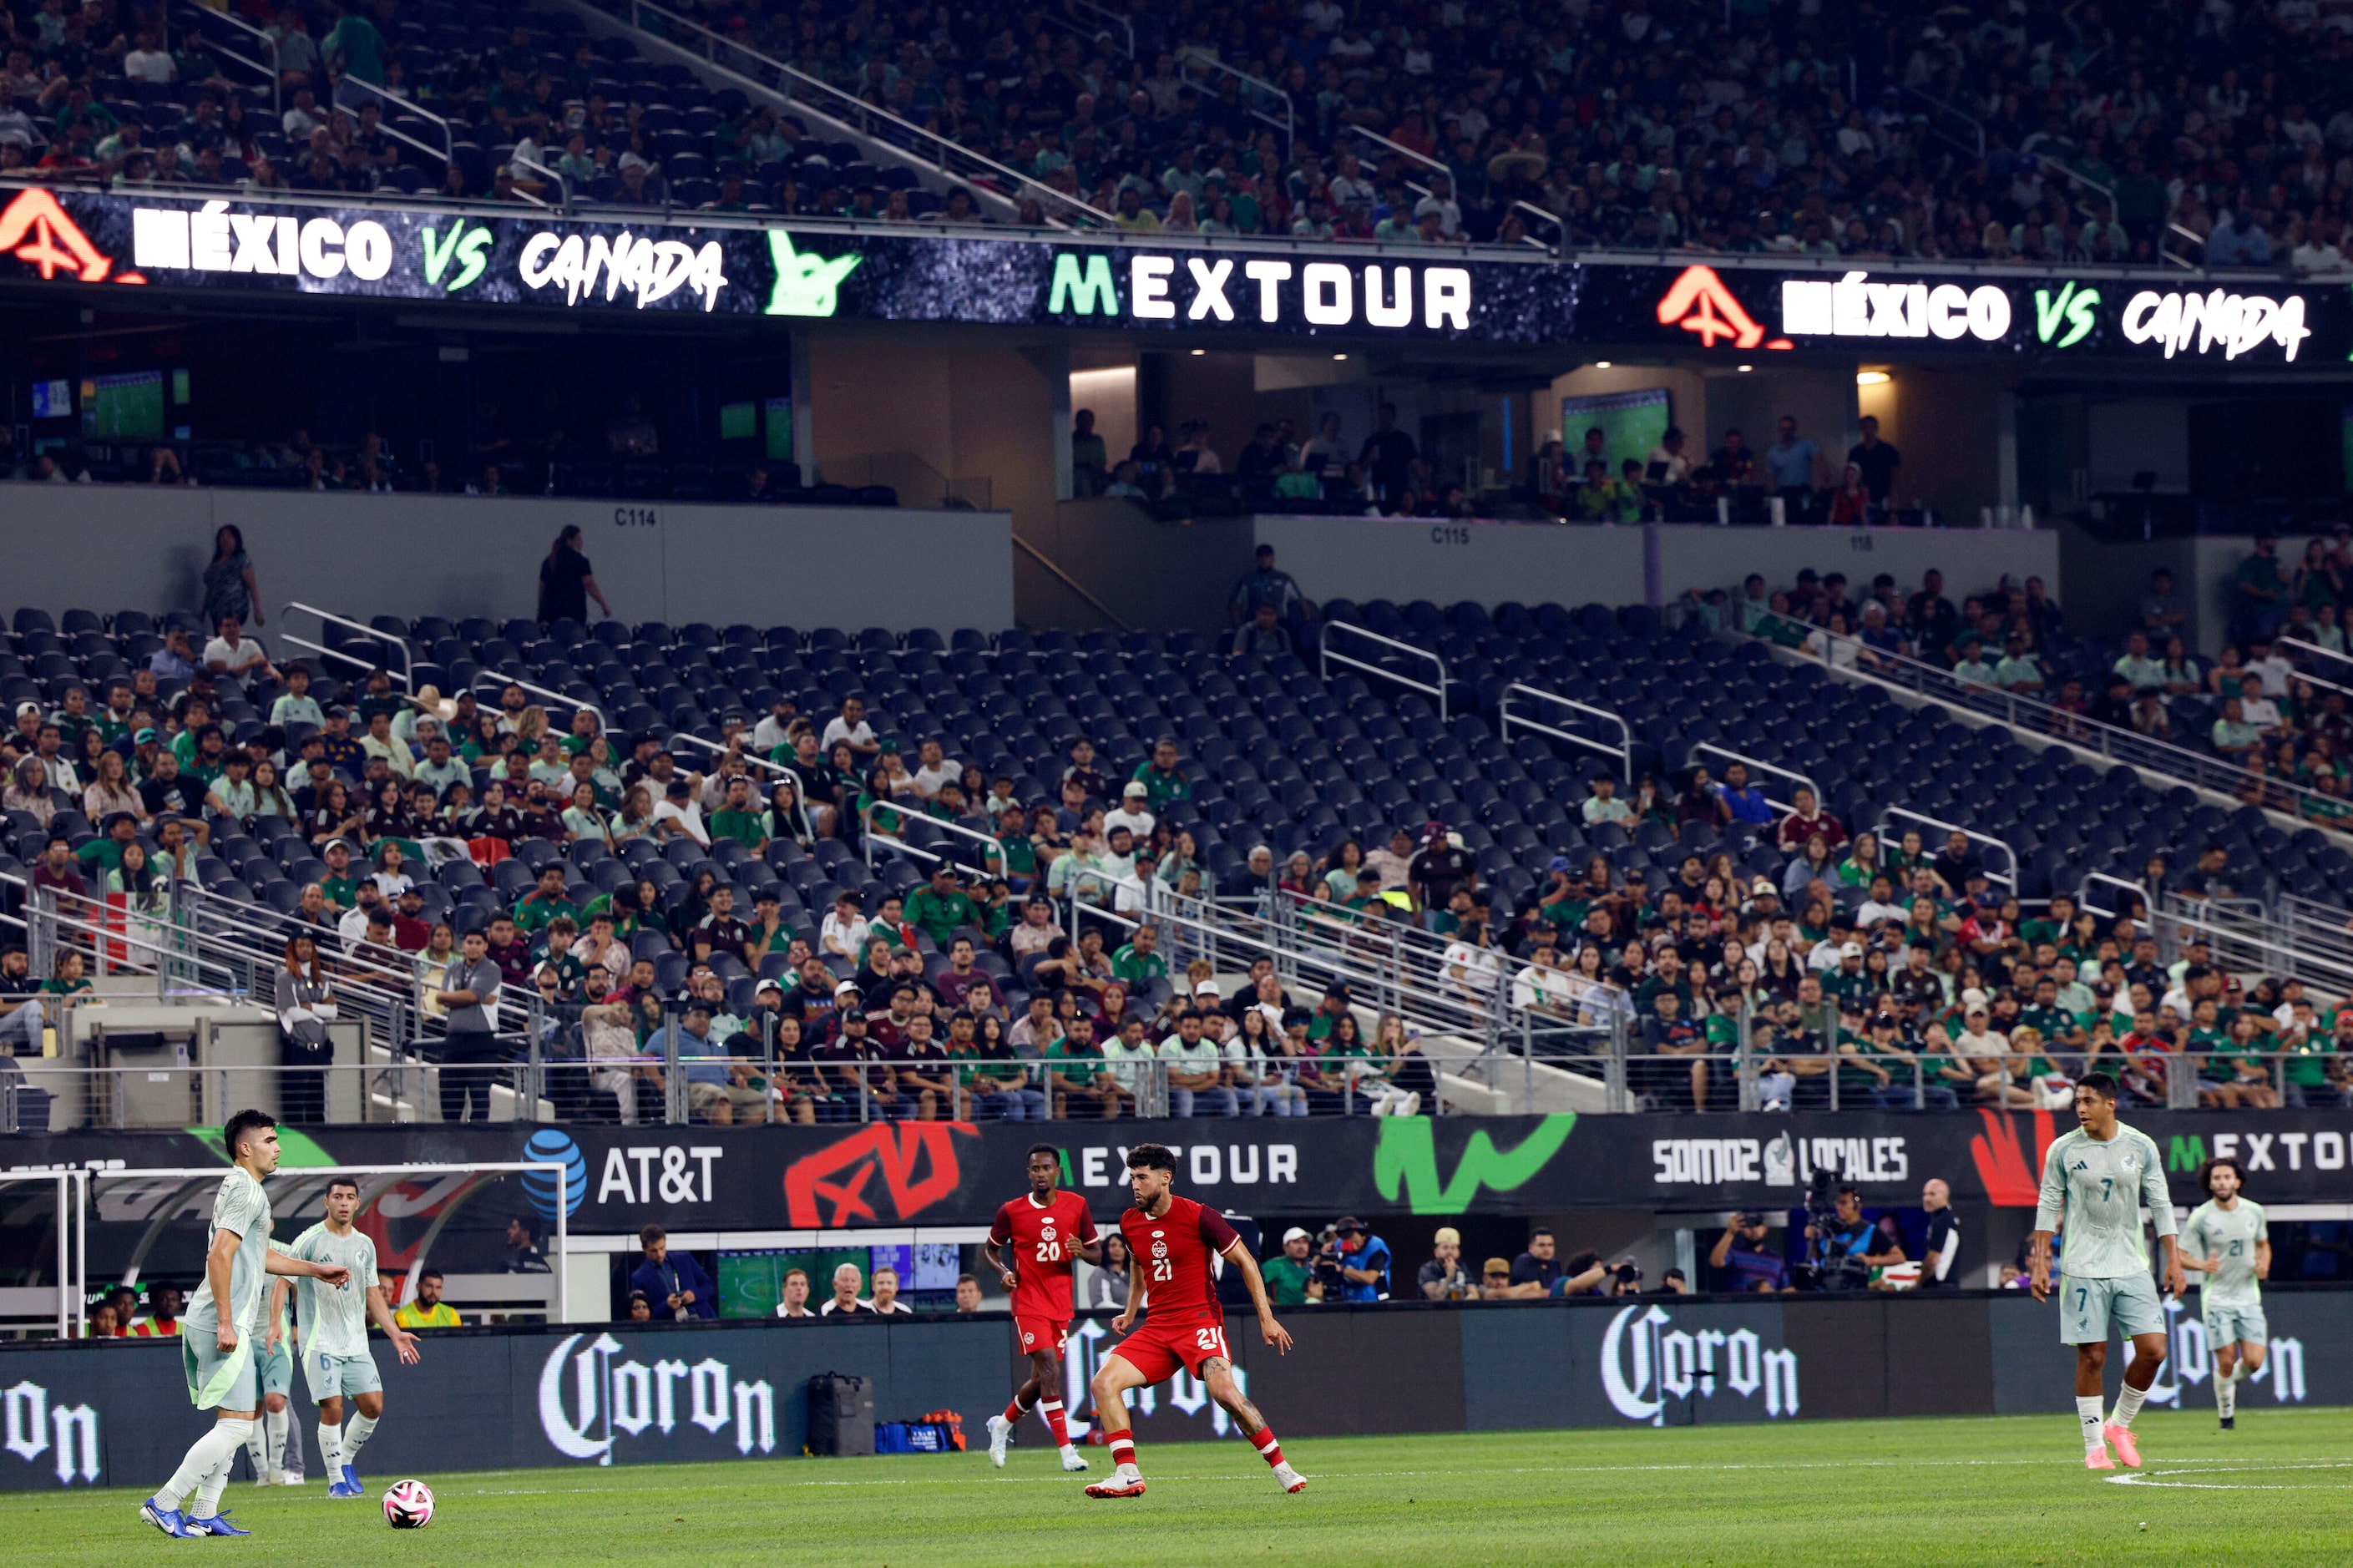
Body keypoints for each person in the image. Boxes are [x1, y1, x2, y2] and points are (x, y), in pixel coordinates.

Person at [140, 1109, 352, 1540]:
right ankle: (163, 1504)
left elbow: (258, 1256)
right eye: (270, 1140)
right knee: (237, 1425)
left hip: (220, 1320)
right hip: (219, 1322)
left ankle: (202, 1513)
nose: (277, 1147)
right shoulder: (246, 1191)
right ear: (245, 1147)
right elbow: (219, 1255)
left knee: (234, 1424)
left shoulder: (244, 1188)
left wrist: (313, 1269)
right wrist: (225, 1322)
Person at [1084, 1143, 1303, 1499]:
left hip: (1199, 1320)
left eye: (1142, 1177)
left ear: (1165, 1178)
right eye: (1132, 1178)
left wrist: (1268, 1319)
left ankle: (1282, 1468)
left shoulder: (1200, 1216)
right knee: (1102, 1384)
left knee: (1224, 1393)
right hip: (1158, 1326)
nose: (1135, 1185)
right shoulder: (1129, 1221)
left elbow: (1247, 1262)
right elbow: (1139, 1264)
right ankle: (1127, 1474)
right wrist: (1130, 1310)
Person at [2030, 1073, 2184, 1471]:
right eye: (2077, 1102)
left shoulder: (2140, 1145)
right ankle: (2094, 1448)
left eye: (2088, 1101)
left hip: (2132, 1263)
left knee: (2154, 1350)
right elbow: (2048, 1204)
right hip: (2083, 1265)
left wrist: (2175, 1259)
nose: (2080, 1108)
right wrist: (2041, 1259)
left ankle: (2120, 1425)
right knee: (2093, 1357)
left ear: (2110, 1104)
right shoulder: (2062, 1149)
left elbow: (2161, 1203)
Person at [287, 1175, 420, 1499]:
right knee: (332, 1407)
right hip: (319, 1340)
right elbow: (283, 1280)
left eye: (349, 1197)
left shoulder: (365, 1245)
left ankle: (345, 1461)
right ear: (326, 1202)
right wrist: (279, 1324)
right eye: (338, 1197)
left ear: (358, 1203)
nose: (344, 1202)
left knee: (373, 1405)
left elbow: (373, 1294)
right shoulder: (309, 1240)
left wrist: (394, 1334)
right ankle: (335, 1481)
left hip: (355, 1341)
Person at [981, 1143, 1103, 1472]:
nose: (1040, 1174)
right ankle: (1067, 1452)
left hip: (1060, 1303)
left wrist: (1081, 1251)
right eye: (1035, 1169)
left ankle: (1002, 1425)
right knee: (1050, 1369)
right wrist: (1005, 1272)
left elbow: (1097, 1254)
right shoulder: (1012, 1211)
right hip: (1028, 1302)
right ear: (1029, 1173)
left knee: (1039, 1381)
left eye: (1046, 1168)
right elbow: (991, 1250)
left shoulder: (1076, 1206)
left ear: (1057, 1171)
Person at [2182, 1157, 2269, 1429]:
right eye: (2216, 1178)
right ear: (2210, 1184)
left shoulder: (2254, 1212)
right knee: (2227, 1361)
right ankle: (2226, 1415)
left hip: (2248, 1295)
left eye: (2226, 1177)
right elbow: (2180, 1255)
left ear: (2237, 1181)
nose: (2222, 1182)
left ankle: (2226, 1383)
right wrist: (2201, 1265)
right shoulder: (2201, 1217)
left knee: (2254, 1362)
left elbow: (2263, 1245)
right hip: (2217, 1297)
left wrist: (2264, 1264)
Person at [432, 928, 503, 1122]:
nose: (473, 947)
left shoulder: (491, 969)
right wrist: (472, 997)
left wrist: (463, 997)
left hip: (481, 1042)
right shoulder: (453, 969)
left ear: (485, 946)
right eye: (470, 942)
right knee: (449, 1098)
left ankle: (477, 1145)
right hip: (454, 1041)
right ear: (463, 945)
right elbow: (440, 998)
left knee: (479, 1099)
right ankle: (452, 1142)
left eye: (478, 943)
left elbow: (470, 995)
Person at [272, 934, 337, 1125]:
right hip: (298, 1050)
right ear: (293, 948)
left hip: (320, 1051)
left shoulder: (321, 978)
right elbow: (292, 1013)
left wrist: (311, 1008)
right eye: (300, 945)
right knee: (294, 1107)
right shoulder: (286, 979)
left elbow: (333, 1011)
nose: (305, 949)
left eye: (308, 945)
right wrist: (319, 1015)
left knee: (317, 1107)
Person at [628, 1224, 718, 1321]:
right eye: (654, 1251)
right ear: (644, 1249)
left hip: (703, 1321)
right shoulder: (639, 1277)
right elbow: (645, 1315)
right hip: (670, 1329)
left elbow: (709, 1286)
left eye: (662, 1248)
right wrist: (667, 1305)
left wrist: (694, 1295)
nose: (659, 1254)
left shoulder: (684, 1259)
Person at [200, 524, 263, 630]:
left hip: (235, 610)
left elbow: (252, 587)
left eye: (229, 537)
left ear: (236, 540)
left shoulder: (241, 560)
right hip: (216, 610)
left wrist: (257, 610)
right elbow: (210, 588)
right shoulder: (215, 562)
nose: (225, 540)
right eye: (222, 537)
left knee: (229, 637)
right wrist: (203, 611)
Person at [1917, 1178, 1961, 1287]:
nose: (1926, 1199)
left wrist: (1918, 1283)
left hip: (1940, 1288)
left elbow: (1933, 1259)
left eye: (1932, 1194)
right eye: (1925, 1194)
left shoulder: (1943, 1221)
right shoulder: (1942, 1218)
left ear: (1944, 1196)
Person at [1261, 1227, 1320, 1305]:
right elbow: (1253, 1285)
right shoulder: (1275, 1265)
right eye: (1296, 1242)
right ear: (1285, 1246)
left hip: (1309, 1314)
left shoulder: (1310, 1268)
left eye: (1305, 1242)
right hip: (1283, 1315)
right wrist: (1271, 1307)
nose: (1301, 1246)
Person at [1417, 1226, 1475, 1299]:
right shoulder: (1427, 1269)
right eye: (1445, 1248)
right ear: (1436, 1252)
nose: (1449, 1252)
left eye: (1453, 1248)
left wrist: (1460, 1303)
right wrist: (1450, 1276)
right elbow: (1436, 1298)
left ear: (1458, 1252)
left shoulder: (1462, 1267)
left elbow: (1474, 1295)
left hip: (1458, 1309)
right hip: (1433, 1310)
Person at [391, 1271, 461, 1330]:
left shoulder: (451, 1314)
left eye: (438, 1287)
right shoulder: (402, 1316)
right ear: (418, 1287)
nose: (434, 1292)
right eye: (429, 1286)